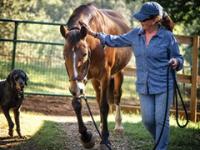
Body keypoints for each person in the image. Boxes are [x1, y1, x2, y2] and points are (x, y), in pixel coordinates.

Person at [81, 1, 183, 150]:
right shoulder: (136, 34)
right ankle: (161, 142)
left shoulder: (167, 37)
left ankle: (161, 147)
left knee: (161, 121)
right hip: (144, 85)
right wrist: (94, 34)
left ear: (155, 20)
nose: (140, 21)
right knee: (148, 121)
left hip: (163, 85)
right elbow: (114, 40)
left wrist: (176, 61)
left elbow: (179, 58)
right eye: (140, 18)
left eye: (144, 19)